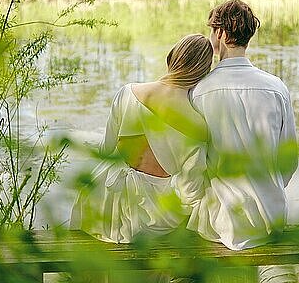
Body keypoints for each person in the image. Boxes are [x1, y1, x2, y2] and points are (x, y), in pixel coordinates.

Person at [187, 0, 299, 282]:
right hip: (270, 219)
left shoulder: (199, 92)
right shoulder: (277, 88)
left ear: (222, 34)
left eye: (213, 31)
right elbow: (289, 163)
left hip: (219, 223)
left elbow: (193, 168)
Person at [70, 34, 212, 244]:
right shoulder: (197, 124)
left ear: (171, 58)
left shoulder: (127, 92)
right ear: (203, 73)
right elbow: (189, 192)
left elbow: (106, 150)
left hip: (105, 202)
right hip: (153, 216)